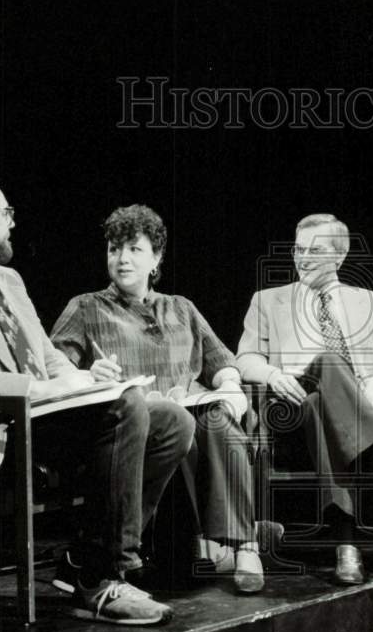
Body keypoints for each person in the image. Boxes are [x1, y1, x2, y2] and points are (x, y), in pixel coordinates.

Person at [0, 175, 194, 625]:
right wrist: (34, 389)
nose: (12, 223)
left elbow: (47, 357)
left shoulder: (8, 279)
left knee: (170, 418)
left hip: (44, 420)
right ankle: (103, 576)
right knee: (128, 408)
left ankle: (88, 558)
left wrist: (85, 379)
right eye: (5, 213)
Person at [51, 204, 271, 594]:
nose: (121, 259)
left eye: (134, 249)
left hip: (192, 425)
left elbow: (221, 362)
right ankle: (247, 537)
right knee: (191, 430)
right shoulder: (86, 308)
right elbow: (54, 370)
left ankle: (245, 547)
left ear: (156, 258)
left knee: (220, 419)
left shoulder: (181, 307)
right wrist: (87, 374)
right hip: (134, 433)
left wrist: (230, 385)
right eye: (114, 249)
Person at [236, 213, 373, 584]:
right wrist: (274, 375)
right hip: (290, 409)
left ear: (339, 257)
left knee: (322, 408)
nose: (302, 258)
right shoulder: (268, 301)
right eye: (298, 249)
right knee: (325, 364)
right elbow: (244, 359)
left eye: (315, 250)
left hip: (356, 412)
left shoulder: (369, 303)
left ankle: (347, 546)